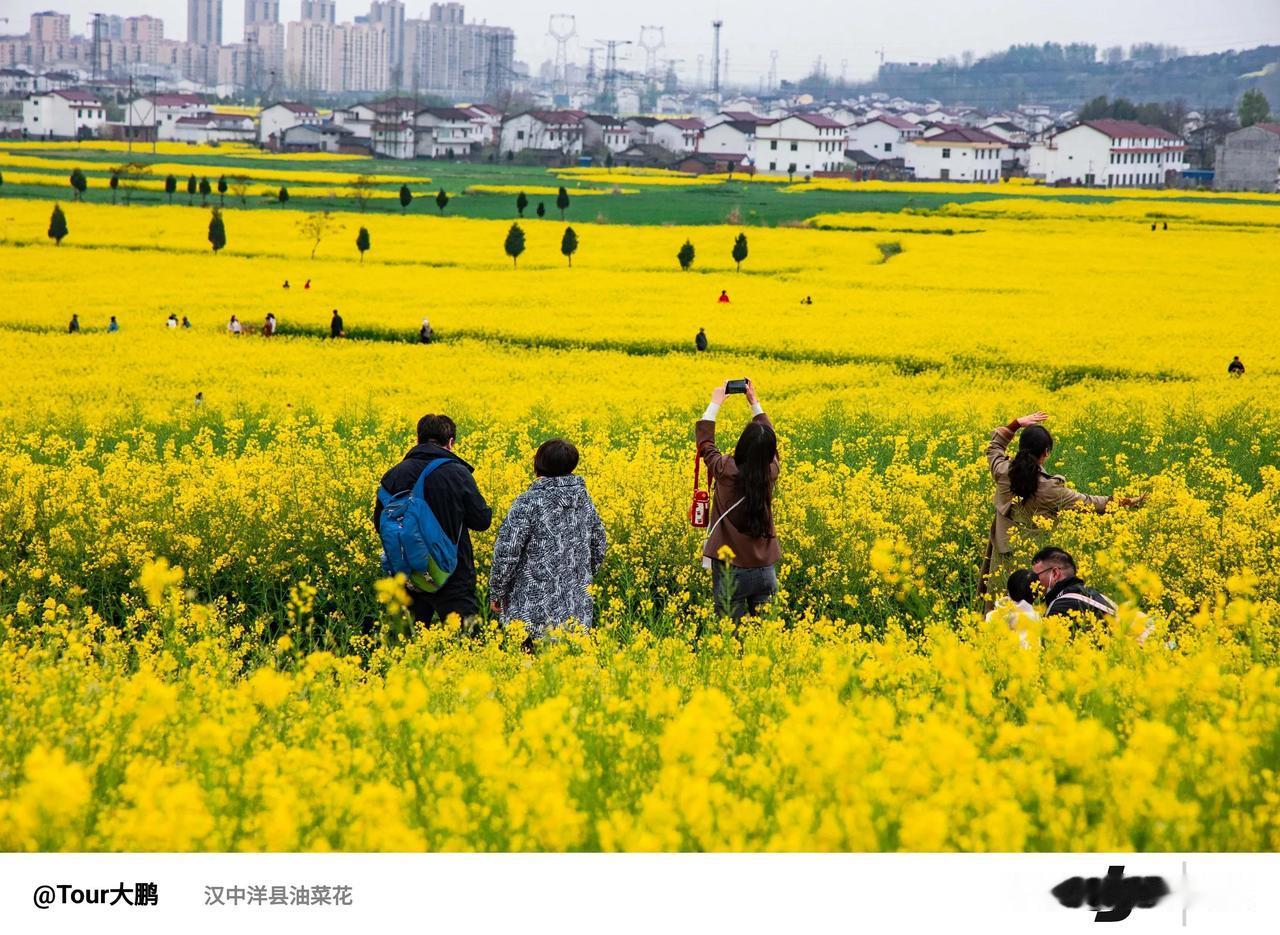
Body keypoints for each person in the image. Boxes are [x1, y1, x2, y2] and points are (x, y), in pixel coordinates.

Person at [981, 411, 1141, 604]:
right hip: (1034, 562)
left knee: (998, 607)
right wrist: (1129, 501)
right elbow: (1091, 503)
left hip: (1001, 553)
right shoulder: (1050, 489)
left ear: (1021, 447)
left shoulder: (1003, 471)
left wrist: (1016, 424)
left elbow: (995, 447)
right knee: (1028, 609)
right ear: (1046, 452)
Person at [373, 414, 493, 626]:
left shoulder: (393, 474)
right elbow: (481, 521)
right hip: (452, 573)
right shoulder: (457, 473)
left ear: (418, 439)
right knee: (468, 640)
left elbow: (379, 524)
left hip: (406, 573)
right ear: (451, 442)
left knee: (408, 642)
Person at [488, 439, 607, 645]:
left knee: (531, 671)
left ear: (538, 465)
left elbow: (507, 551)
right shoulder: (584, 499)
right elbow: (599, 544)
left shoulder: (530, 501)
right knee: (568, 671)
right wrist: (580, 578)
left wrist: (497, 591)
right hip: (576, 611)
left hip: (531, 613)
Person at [697, 379, 780, 622]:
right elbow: (771, 446)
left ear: (742, 446)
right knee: (764, 641)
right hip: (765, 570)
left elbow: (705, 445)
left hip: (731, 571)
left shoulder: (725, 470)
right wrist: (754, 403)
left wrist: (715, 403)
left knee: (730, 640)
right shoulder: (771, 470)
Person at [1031, 546, 1117, 624]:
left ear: (1055, 573)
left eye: (1035, 576)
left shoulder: (1061, 607)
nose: (1033, 581)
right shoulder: (1099, 597)